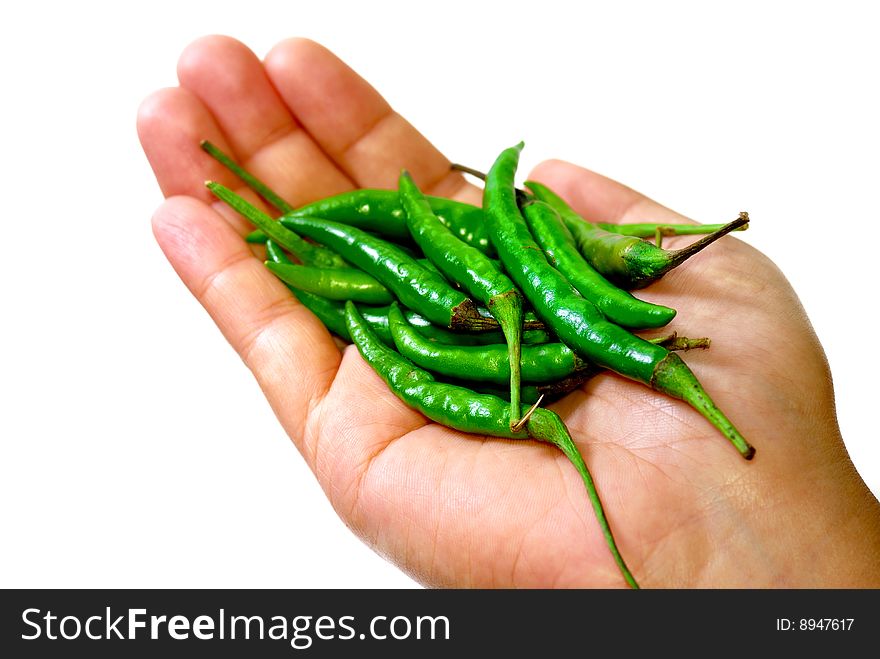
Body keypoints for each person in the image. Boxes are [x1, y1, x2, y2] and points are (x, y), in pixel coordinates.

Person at [137, 35, 880, 588]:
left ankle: (280, 230)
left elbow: (465, 305)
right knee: (386, 294)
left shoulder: (527, 277)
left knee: (439, 303)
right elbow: (406, 304)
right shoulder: (429, 288)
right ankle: (273, 227)